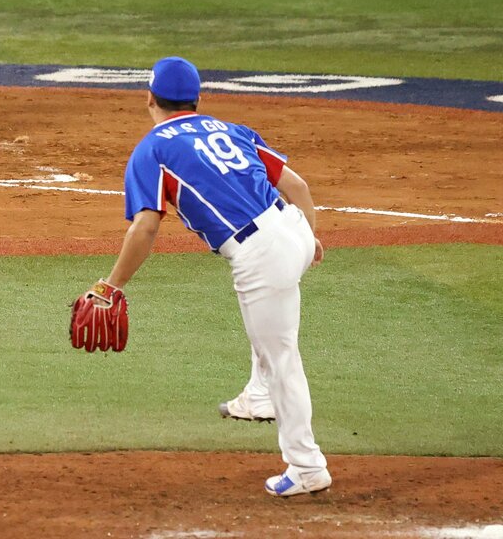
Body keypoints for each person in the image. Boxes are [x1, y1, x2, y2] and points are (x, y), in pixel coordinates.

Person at [75, 56, 331, 498]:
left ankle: (306, 465)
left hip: (260, 252)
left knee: (283, 356)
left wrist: (110, 284)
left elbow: (147, 226)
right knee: (271, 323)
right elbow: (299, 187)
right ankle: (258, 396)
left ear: (149, 99)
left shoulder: (151, 149)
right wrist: (307, 237)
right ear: (198, 99)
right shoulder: (231, 129)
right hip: (293, 228)